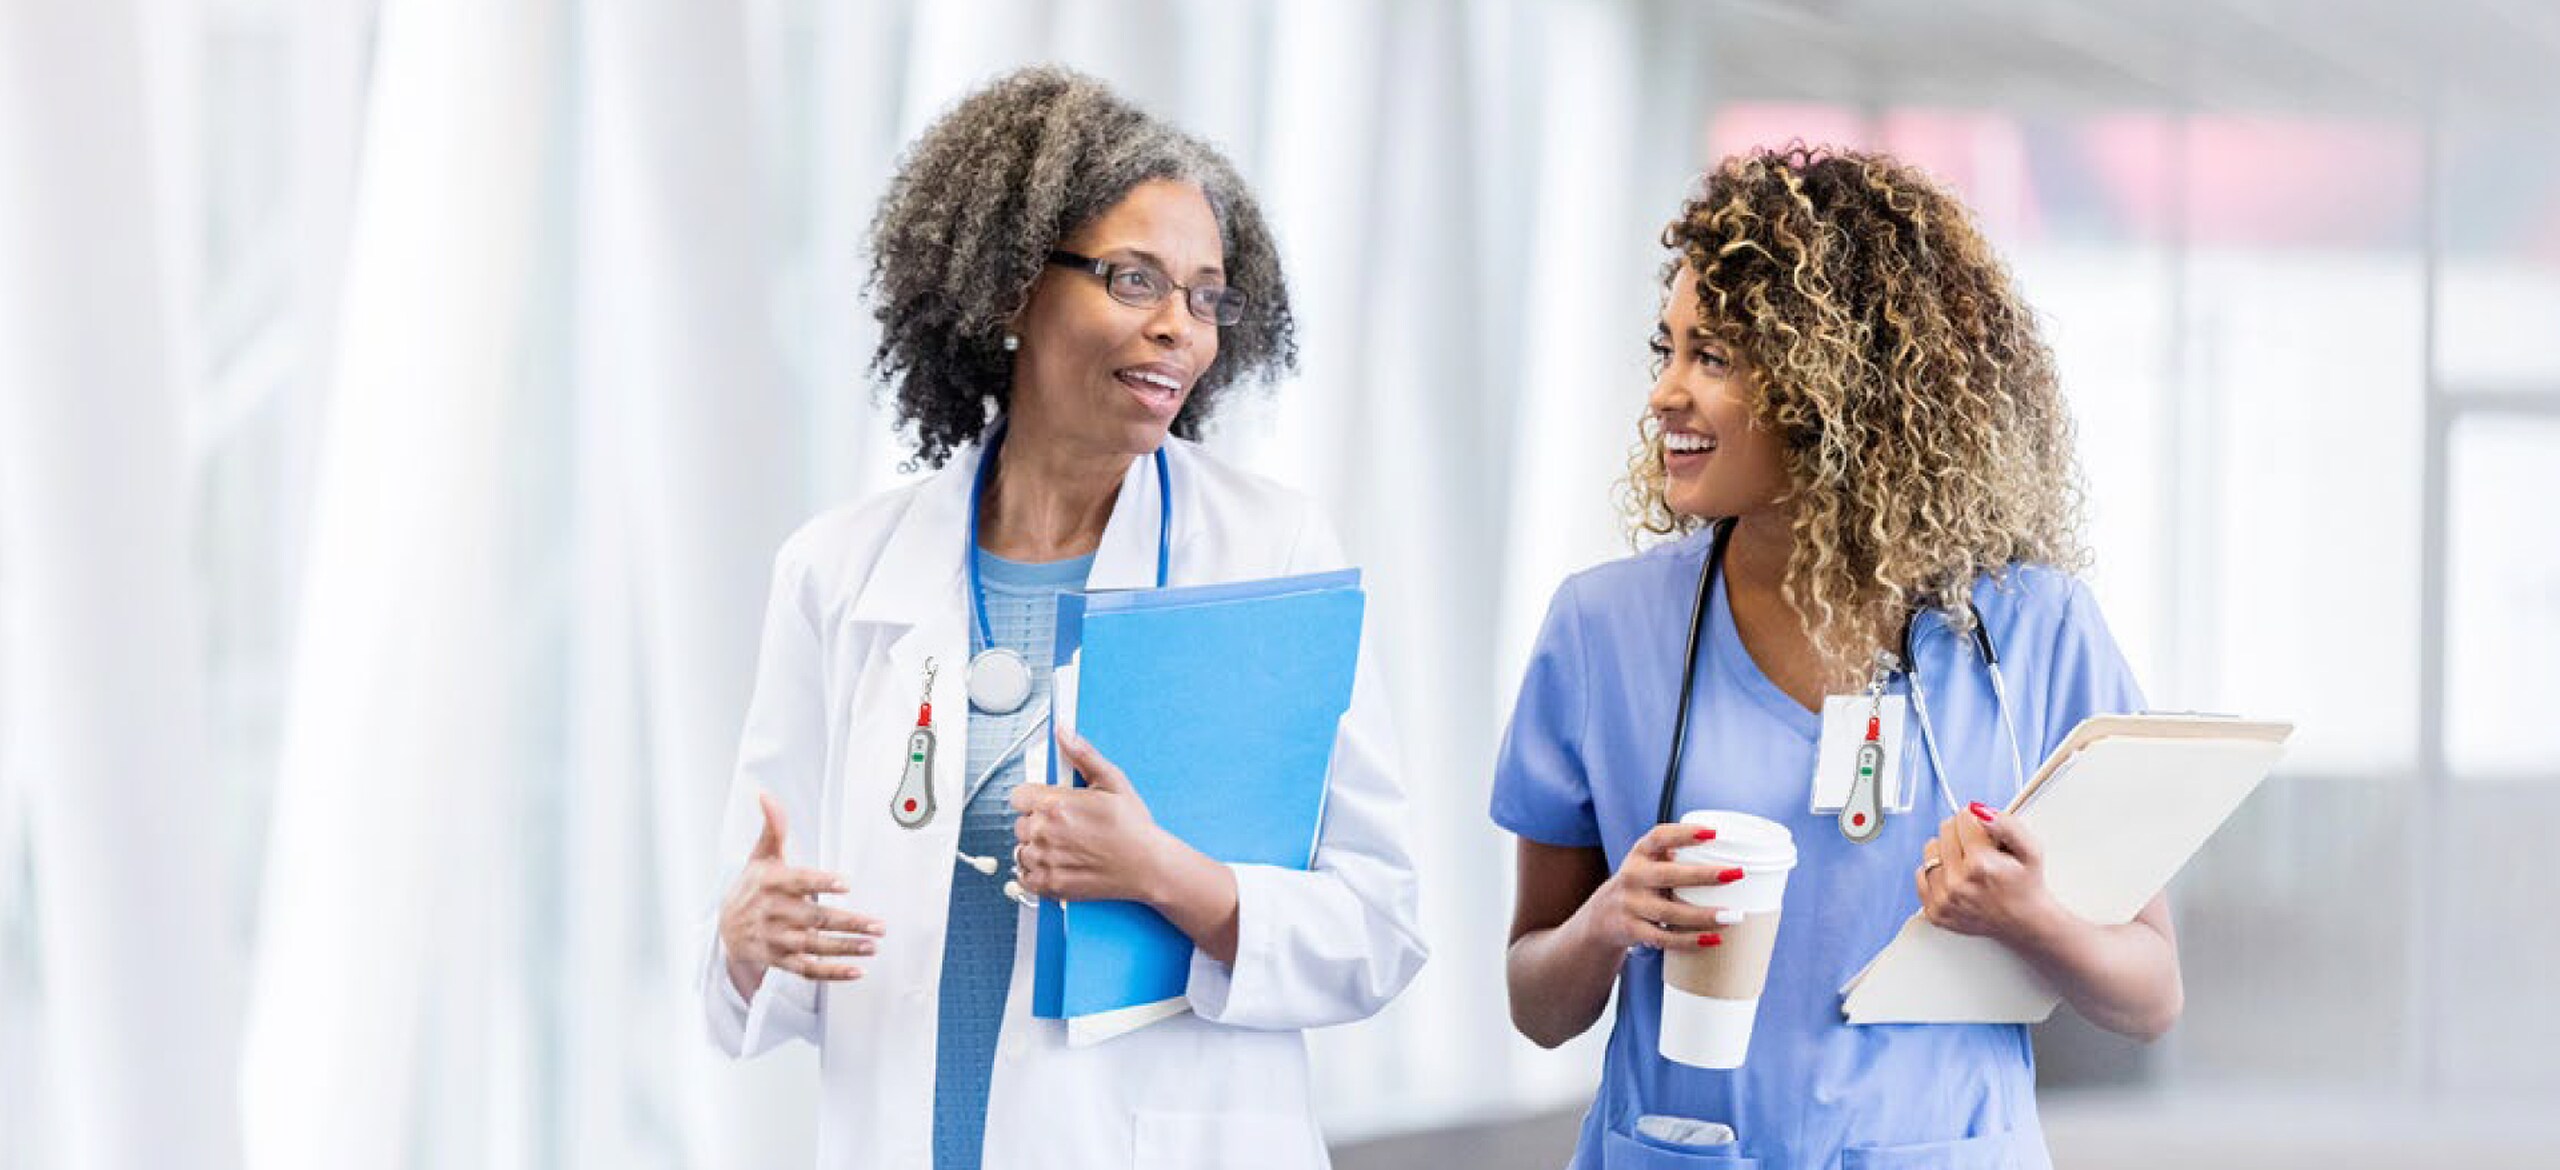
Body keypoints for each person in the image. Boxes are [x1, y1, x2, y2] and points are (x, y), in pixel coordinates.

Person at [698, 66, 1425, 1170]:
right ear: (1008, 289)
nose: (1180, 328)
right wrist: (747, 939)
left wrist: (1164, 874)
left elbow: (1377, 929)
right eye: (1134, 279)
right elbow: (767, 934)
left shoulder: (1269, 554)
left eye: (1207, 295)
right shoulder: (838, 576)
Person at [1492, 145, 2181, 1168]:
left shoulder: (2033, 633)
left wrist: (2031, 917)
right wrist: (1606, 923)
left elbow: (2149, 993)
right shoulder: (1604, 632)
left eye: (1714, 357)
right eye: (1667, 349)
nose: (1665, 395)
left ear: (1839, 384)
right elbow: (1536, 1004)